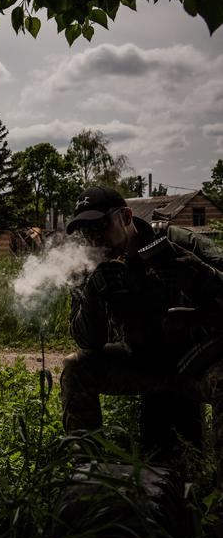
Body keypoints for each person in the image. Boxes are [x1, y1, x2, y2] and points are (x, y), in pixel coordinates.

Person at [61, 186, 223, 469]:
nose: (95, 239)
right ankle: (88, 479)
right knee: (77, 368)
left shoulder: (176, 242)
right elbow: (87, 341)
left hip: (194, 364)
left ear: (125, 216)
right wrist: (92, 297)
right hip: (142, 365)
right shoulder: (87, 268)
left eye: (100, 227)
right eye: (87, 233)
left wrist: (196, 274)